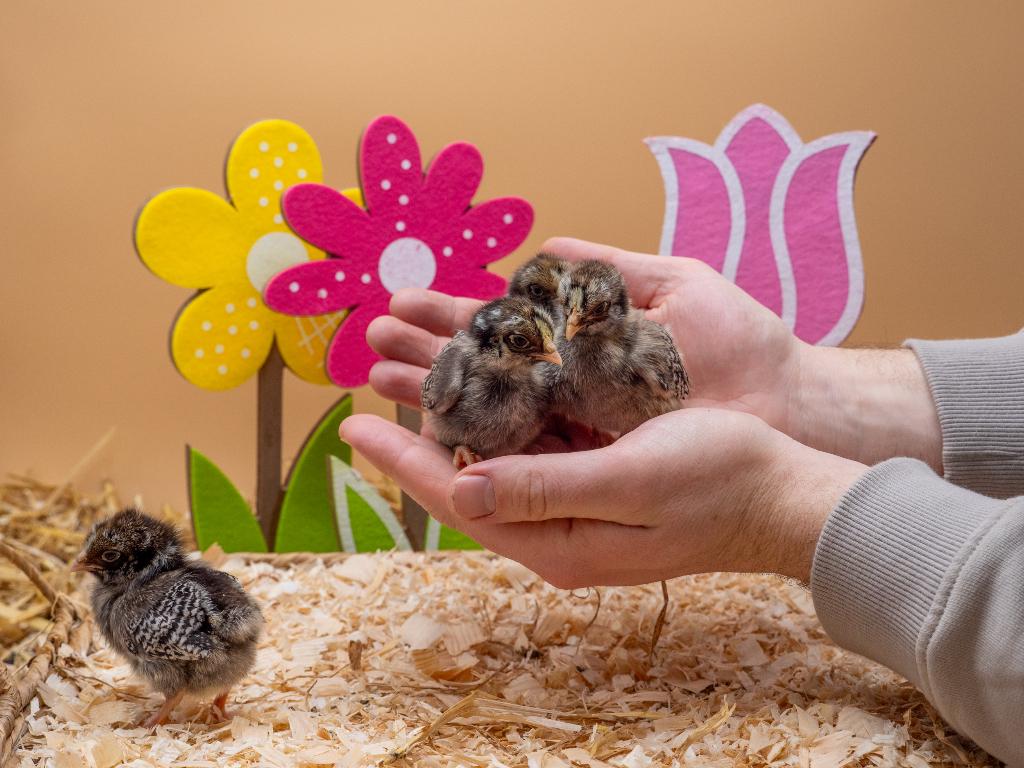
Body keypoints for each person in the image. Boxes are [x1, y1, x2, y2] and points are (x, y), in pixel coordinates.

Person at [339, 237, 1024, 765]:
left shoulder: (624, 352)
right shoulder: (539, 363)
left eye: (587, 318)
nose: (569, 336)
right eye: (567, 319)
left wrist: (774, 503)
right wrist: (805, 386)